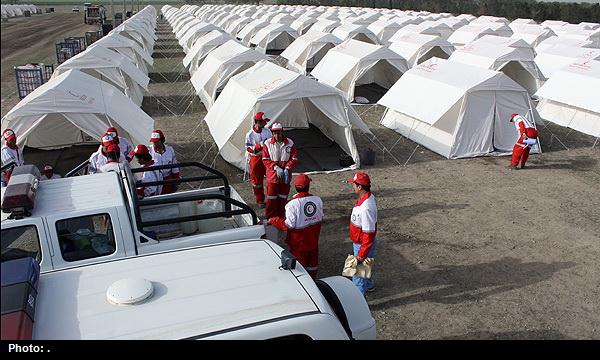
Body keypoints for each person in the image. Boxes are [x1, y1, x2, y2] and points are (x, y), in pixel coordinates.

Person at [267, 173, 323, 279]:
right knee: (312, 267)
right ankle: (314, 285)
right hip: (313, 241)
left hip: (298, 244)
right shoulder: (317, 200)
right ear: (308, 186)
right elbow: (319, 217)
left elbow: (288, 225)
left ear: (296, 187)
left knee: (300, 270)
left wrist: (274, 220)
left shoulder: (292, 204)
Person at [347, 172, 378, 295]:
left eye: (354, 184)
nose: (352, 186)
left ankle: (359, 300)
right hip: (362, 243)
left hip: (362, 245)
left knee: (357, 277)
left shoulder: (365, 208)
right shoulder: (369, 198)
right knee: (366, 266)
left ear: (359, 187)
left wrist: (361, 255)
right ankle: (369, 285)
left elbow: (368, 234)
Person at [262, 121, 298, 218]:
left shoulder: (290, 143)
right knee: (271, 200)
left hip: (285, 177)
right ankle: (271, 219)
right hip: (272, 178)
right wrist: (275, 167)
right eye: (275, 133)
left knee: (283, 199)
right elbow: (265, 159)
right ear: (272, 133)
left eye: (278, 132)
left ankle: (281, 218)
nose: (277, 135)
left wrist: (287, 167)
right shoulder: (267, 143)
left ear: (282, 132)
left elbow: (294, 158)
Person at [245, 112, 272, 208]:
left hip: (267, 157)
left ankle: (271, 198)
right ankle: (260, 200)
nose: (265, 124)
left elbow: (271, 143)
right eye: (264, 122)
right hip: (255, 159)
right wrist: (259, 145)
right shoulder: (250, 134)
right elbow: (248, 148)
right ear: (257, 122)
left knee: (271, 178)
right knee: (257, 182)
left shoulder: (267, 131)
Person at [149, 130, 179, 194]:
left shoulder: (170, 150)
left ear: (162, 140)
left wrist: (176, 178)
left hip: (168, 181)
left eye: (156, 141)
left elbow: (174, 166)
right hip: (154, 181)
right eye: (153, 141)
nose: (154, 143)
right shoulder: (148, 150)